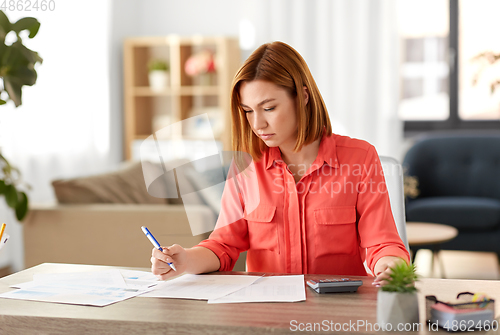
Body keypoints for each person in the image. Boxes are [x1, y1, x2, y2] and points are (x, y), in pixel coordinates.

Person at [151, 41, 410, 287]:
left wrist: (389, 266)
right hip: (266, 309)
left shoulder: (360, 158)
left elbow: (382, 243)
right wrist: (184, 260)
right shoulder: (246, 167)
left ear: (303, 96)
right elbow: (223, 245)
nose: (257, 124)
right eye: (248, 111)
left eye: (269, 108)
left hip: (338, 308)